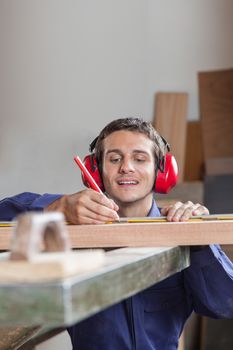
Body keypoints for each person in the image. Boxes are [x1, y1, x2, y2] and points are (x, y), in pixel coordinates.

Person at [0, 117, 233, 350]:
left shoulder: (178, 227)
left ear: (161, 171)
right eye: (115, 158)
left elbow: (225, 304)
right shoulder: (74, 230)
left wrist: (199, 237)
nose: (126, 167)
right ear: (96, 170)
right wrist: (57, 207)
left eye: (140, 158)